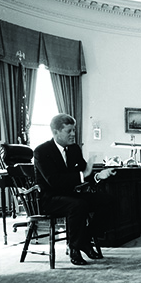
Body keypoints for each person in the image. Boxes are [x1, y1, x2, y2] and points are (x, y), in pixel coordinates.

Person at [34, 113, 117, 266]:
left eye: (74, 130)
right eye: (69, 131)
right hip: (50, 199)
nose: (73, 134)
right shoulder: (41, 151)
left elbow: (86, 173)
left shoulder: (74, 149)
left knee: (108, 201)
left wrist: (99, 176)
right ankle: (75, 248)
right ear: (56, 132)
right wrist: (83, 175)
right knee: (78, 205)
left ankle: (85, 240)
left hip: (71, 196)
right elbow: (53, 181)